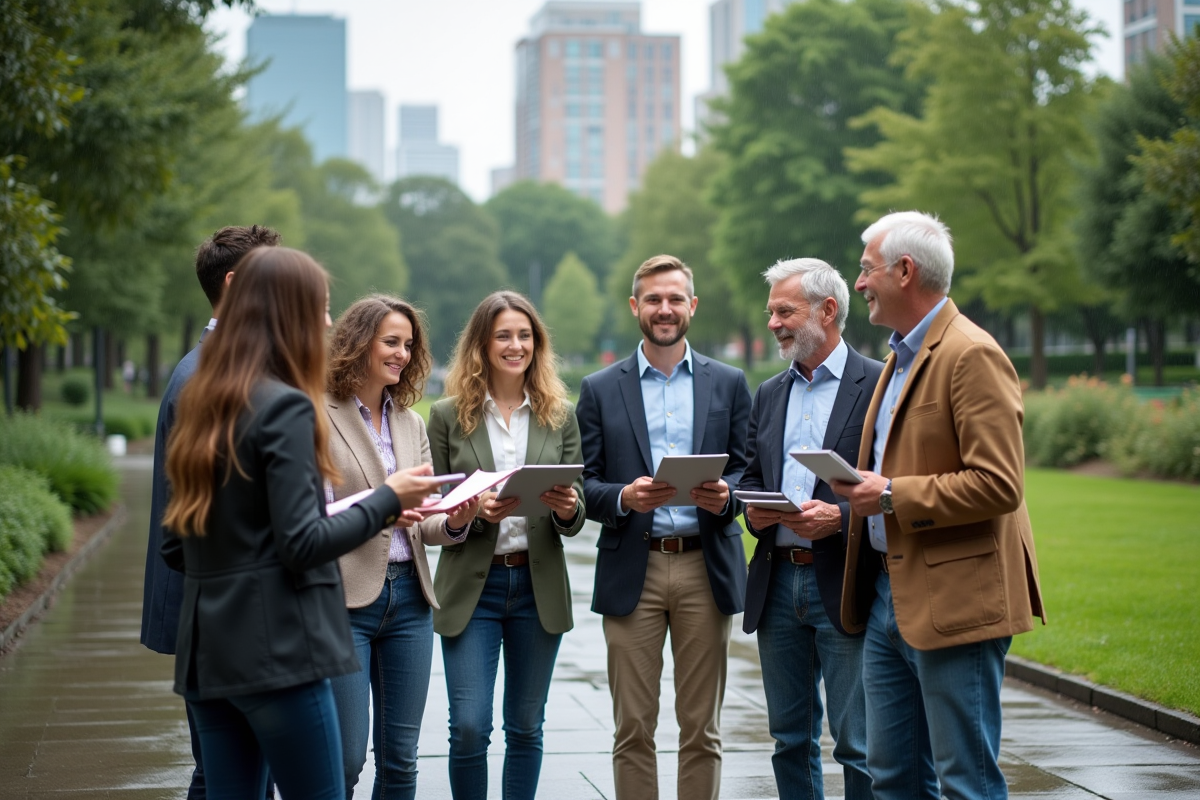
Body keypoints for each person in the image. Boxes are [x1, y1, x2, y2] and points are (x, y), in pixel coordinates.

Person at [160, 247, 444, 800]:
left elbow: (176, 545)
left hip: (207, 653)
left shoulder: (202, 399)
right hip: (278, 649)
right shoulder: (288, 406)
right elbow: (301, 542)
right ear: (286, 313)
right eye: (321, 308)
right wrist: (386, 500)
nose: (328, 323)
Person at [831, 212, 1045, 800]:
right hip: (886, 600)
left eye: (866, 269)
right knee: (893, 779)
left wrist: (892, 495)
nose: (858, 283)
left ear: (905, 271)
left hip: (956, 602)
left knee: (965, 782)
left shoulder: (972, 353)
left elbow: (999, 484)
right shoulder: (901, 354)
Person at [575, 255, 752, 800]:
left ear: (692, 306)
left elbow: (747, 470)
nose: (665, 309)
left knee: (702, 728)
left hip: (706, 566)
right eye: (653, 299)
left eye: (675, 298)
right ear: (635, 307)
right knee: (633, 729)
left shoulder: (729, 383)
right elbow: (586, 484)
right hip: (635, 565)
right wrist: (625, 496)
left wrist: (727, 497)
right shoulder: (600, 388)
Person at [139, 224, 280, 800]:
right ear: (236, 282)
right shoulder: (208, 377)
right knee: (225, 777)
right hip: (221, 613)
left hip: (222, 611)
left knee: (232, 773)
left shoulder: (220, 366)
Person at [426, 291, 586, 800]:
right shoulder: (448, 416)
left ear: (536, 344)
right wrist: (474, 514)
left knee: (525, 725)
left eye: (524, 335)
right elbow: (434, 507)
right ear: (482, 344)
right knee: (470, 725)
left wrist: (566, 508)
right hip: (475, 585)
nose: (515, 345)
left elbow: (576, 506)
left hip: (537, 587)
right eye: (503, 335)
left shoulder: (559, 414)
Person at [324, 295, 479, 799]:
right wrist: (385, 506)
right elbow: (312, 515)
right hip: (345, 601)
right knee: (344, 760)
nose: (402, 354)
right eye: (391, 342)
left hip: (410, 602)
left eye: (409, 345)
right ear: (357, 343)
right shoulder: (317, 413)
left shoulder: (412, 423)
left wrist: (456, 519)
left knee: (401, 761)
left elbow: (423, 525)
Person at [740, 258, 882, 800]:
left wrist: (841, 518)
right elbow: (754, 475)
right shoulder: (770, 392)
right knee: (789, 740)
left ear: (828, 310)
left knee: (858, 743)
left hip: (846, 583)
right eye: (770, 311)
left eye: (784, 310)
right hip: (777, 585)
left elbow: (896, 483)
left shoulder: (877, 383)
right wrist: (753, 510)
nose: (773, 322)